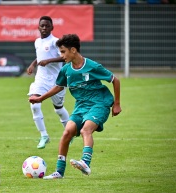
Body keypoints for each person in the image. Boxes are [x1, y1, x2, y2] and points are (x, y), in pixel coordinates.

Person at [29, 34, 122, 179]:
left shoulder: (92, 66)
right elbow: (58, 87)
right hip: (81, 106)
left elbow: (115, 80)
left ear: (73, 50)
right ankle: (59, 172)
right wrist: (40, 98)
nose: (61, 55)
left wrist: (116, 104)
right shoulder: (66, 70)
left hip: (99, 103)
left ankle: (85, 163)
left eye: (63, 52)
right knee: (67, 133)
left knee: (86, 130)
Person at [27, 16, 69, 149]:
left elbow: (64, 57)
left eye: (47, 26)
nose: (44, 28)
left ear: (52, 28)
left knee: (59, 109)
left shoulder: (55, 42)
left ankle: (69, 133)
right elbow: (40, 55)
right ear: (38, 27)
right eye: (42, 25)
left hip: (57, 80)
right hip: (41, 79)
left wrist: (48, 61)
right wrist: (33, 64)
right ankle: (44, 135)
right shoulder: (37, 42)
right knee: (34, 103)